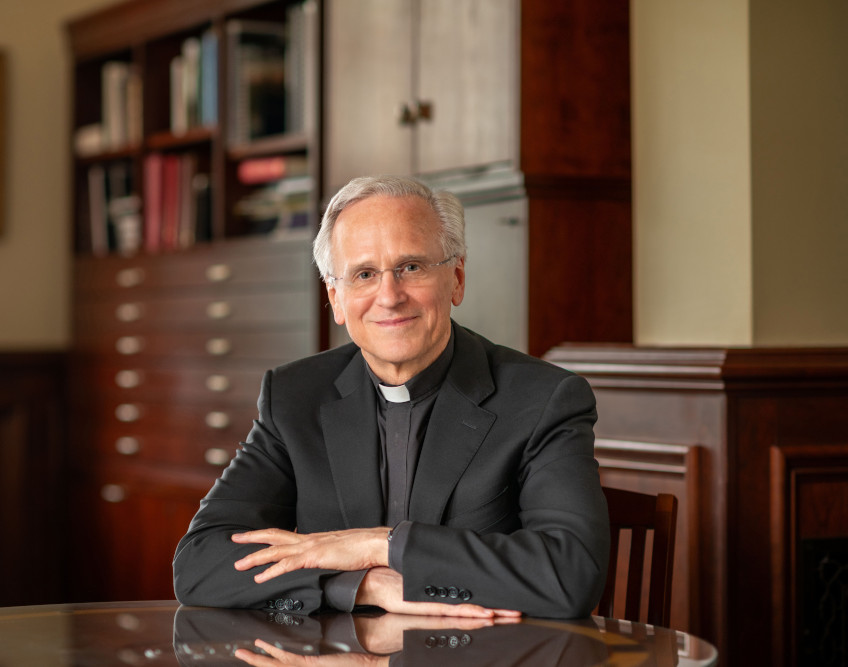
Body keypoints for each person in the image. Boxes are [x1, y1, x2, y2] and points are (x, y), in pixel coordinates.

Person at [173, 175, 609, 620]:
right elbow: (200, 562)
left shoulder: (543, 399)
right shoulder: (295, 397)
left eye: (412, 267)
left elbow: (569, 573)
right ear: (336, 299)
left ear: (456, 279)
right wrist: (360, 584)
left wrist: (380, 544)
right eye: (364, 274)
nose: (389, 296)